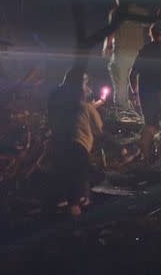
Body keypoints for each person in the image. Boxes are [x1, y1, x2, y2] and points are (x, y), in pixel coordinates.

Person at [47, 67, 103, 217]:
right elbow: (99, 129)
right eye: (85, 82)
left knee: (66, 182)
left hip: (57, 145)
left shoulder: (56, 96)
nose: (87, 86)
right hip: (78, 147)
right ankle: (76, 225)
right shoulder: (82, 106)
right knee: (77, 188)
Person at [129, 21, 161, 161]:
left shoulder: (144, 50)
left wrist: (135, 93)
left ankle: (145, 156)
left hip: (146, 94)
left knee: (150, 124)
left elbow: (132, 74)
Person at [102, 0, 154, 110]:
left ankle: (123, 109)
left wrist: (107, 47)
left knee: (121, 82)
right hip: (138, 52)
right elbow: (149, 29)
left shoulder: (116, 12)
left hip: (121, 51)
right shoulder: (142, 12)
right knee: (138, 81)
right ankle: (141, 107)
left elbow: (111, 31)